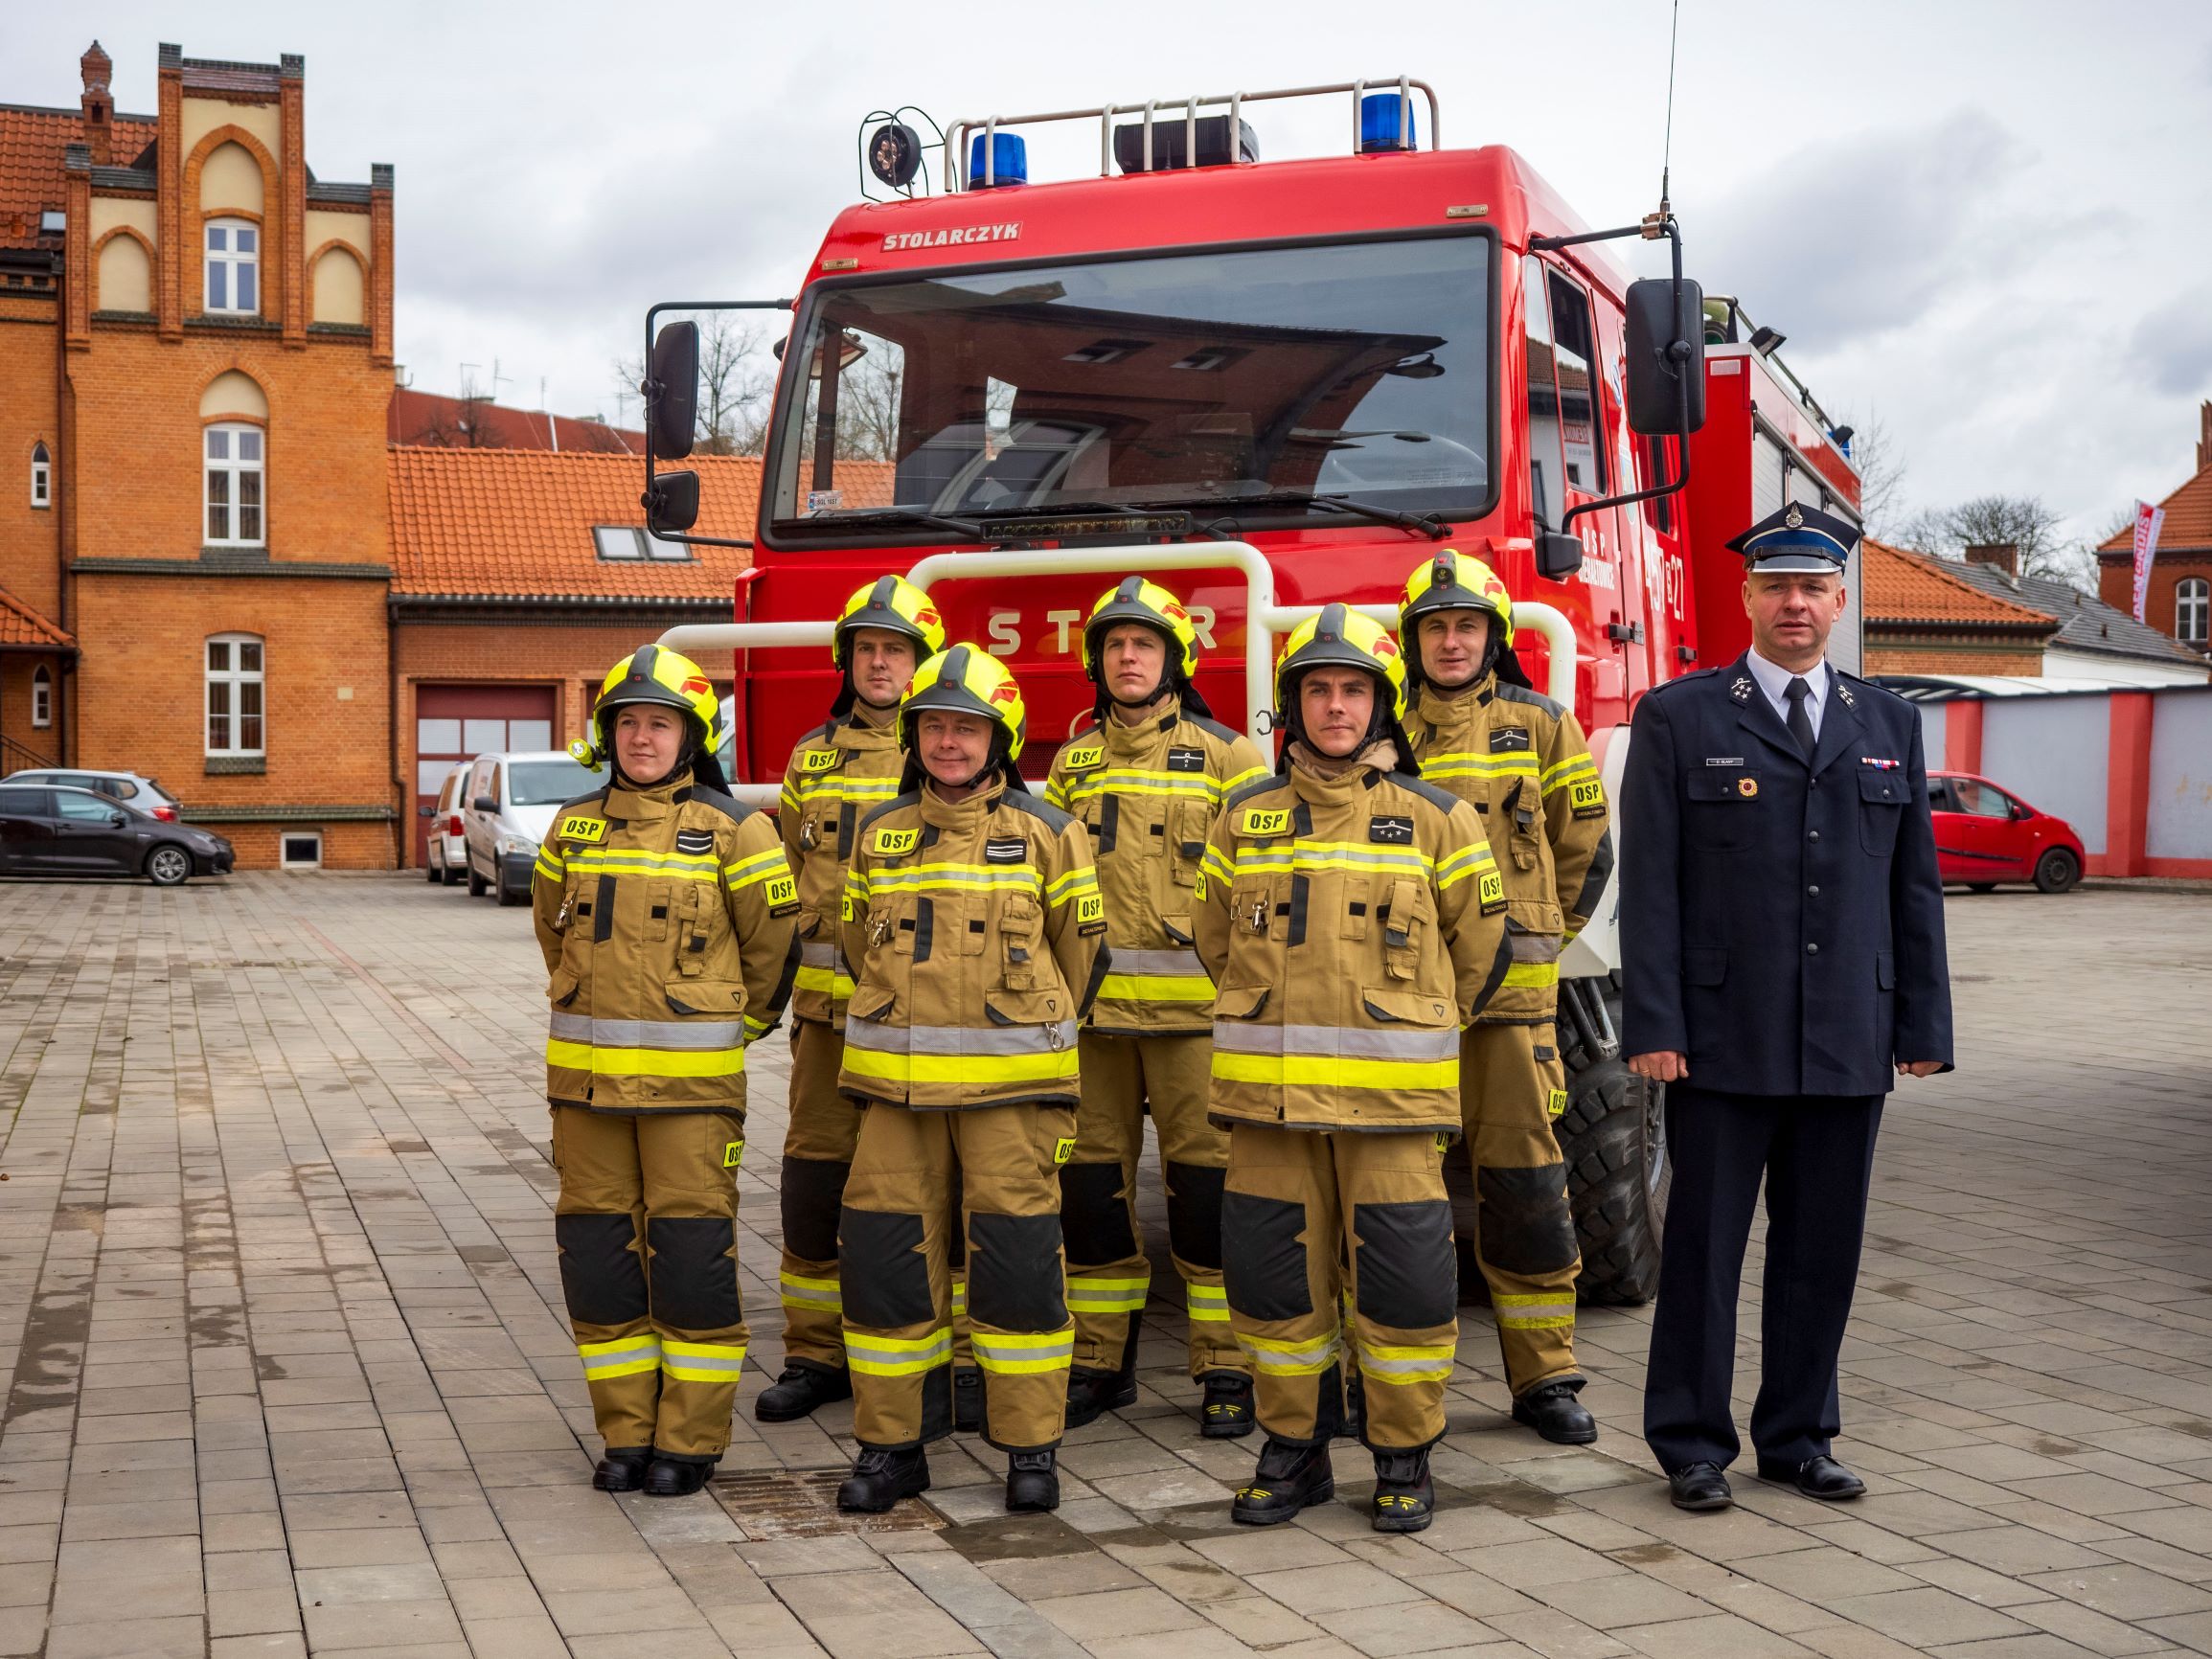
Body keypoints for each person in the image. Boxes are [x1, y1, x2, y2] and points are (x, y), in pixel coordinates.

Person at [1620, 502, 1952, 1513]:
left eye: (1811, 588)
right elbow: (1653, 889)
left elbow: (1912, 886)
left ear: (1838, 600)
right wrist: (1655, 1025)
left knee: (1820, 1255)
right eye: (1776, 587)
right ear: (1746, 597)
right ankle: (1688, 1442)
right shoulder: (1678, 716)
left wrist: (1921, 1025)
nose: (1794, 604)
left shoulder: (1886, 720)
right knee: (1702, 1253)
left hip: (1846, 1033)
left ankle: (1798, 1436)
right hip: (1720, 1039)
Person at [1197, 605, 1510, 1534]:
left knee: (1404, 1290)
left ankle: (1403, 1452)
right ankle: (1289, 1451)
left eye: (1353, 690)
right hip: (1268, 1109)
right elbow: (1214, 941)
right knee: (1272, 1287)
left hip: (1393, 1112)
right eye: (1318, 689)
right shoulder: (1240, 816)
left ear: (1381, 706)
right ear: (1291, 706)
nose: (1335, 707)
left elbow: (1481, 951)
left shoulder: (1437, 819)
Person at [833, 646, 1107, 1515]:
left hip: (1010, 1104)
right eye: (935, 726)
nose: (949, 743)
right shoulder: (879, 832)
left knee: (1018, 1272)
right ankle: (891, 1447)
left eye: (967, 728)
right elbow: (854, 945)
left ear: (1002, 738)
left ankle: (1029, 1448)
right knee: (886, 1273)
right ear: (914, 737)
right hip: (894, 1100)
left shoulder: (1049, 830)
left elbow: (1080, 957)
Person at [533, 646, 800, 1496]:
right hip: (586, 1096)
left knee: (690, 1259)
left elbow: (773, 950)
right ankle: (624, 1433)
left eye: (660, 723)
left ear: (692, 735)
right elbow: (551, 934)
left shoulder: (738, 829)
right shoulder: (570, 826)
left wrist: (731, 1028)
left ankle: (689, 1439)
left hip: (692, 1099)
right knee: (599, 1259)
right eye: (628, 722)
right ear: (606, 732)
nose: (641, 738)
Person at [1045, 579, 1270, 1438]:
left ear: (1174, 659)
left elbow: (1261, 889)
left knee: (1208, 1196)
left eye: (1144, 644)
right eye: (1114, 645)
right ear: (1097, 662)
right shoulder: (1070, 764)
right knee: (1089, 1193)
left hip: (1195, 1029)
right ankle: (1101, 1361)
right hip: (1096, 1030)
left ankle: (1226, 1365)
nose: (1128, 658)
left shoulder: (1228, 759)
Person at [1398, 551, 1614, 1445]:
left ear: (1494, 638)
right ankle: (1398, 1386)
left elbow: (1586, 846)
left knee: (1524, 1185)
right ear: (1412, 641)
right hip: (1398, 1008)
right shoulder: (1380, 725)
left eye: (1467, 626)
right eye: (1436, 627)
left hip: (1512, 1010)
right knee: (1398, 1198)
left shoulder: (1541, 723)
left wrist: (1532, 944)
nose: (1451, 642)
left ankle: (1545, 1376)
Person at [755, 576, 946, 1425]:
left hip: (926, 1026)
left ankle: (943, 1356)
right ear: (847, 660)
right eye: (866, 648)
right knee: (813, 1184)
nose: (879, 662)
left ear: (921, 662)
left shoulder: (950, 750)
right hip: (828, 1023)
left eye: (895, 650)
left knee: (935, 1189)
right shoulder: (810, 756)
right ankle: (814, 1353)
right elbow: (796, 878)